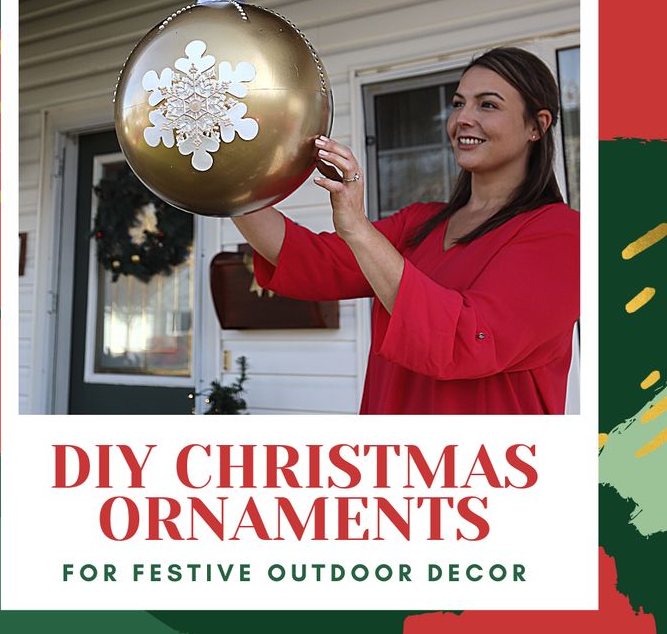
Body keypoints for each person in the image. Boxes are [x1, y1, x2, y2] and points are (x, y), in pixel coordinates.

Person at [234, 46, 580, 415]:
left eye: (488, 105)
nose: (463, 118)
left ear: (536, 126)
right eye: (458, 103)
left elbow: (468, 341)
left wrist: (359, 228)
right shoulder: (421, 223)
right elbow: (314, 261)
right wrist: (225, 177)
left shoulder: (564, 236)